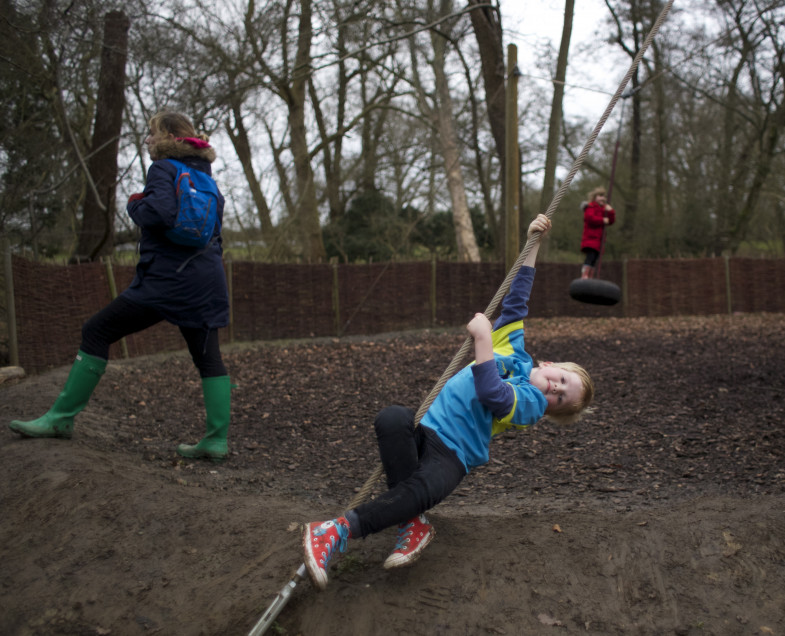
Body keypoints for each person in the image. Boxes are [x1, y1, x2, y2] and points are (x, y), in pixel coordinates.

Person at [302, 214, 595, 590]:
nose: (553, 390)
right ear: (553, 364)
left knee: (421, 488)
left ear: (551, 409)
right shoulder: (514, 348)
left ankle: (334, 532)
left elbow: (494, 394)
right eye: (562, 381)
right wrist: (533, 242)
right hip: (427, 430)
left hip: (453, 456)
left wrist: (482, 339)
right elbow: (519, 295)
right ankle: (413, 525)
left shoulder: (531, 407)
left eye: (559, 399)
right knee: (392, 419)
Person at [9, 110, 233, 460]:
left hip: (167, 280)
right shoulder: (207, 178)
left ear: (171, 138)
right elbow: (213, 233)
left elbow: (157, 214)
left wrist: (134, 204)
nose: (147, 140)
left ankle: (60, 419)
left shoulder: (163, 169)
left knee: (96, 330)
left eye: (152, 134)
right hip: (207, 279)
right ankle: (216, 441)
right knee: (208, 358)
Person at [579, 187, 615, 279]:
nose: (603, 198)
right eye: (600, 196)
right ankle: (585, 275)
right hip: (591, 238)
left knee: (595, 259)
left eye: (604, 196)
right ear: (595, 197)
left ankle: (590, 275)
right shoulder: (590, 207)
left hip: (599, 240)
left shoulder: (604, 209)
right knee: (590, 257)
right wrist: (603, 220)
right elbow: (590, 219)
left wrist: (610, 211)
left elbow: (611, 221)